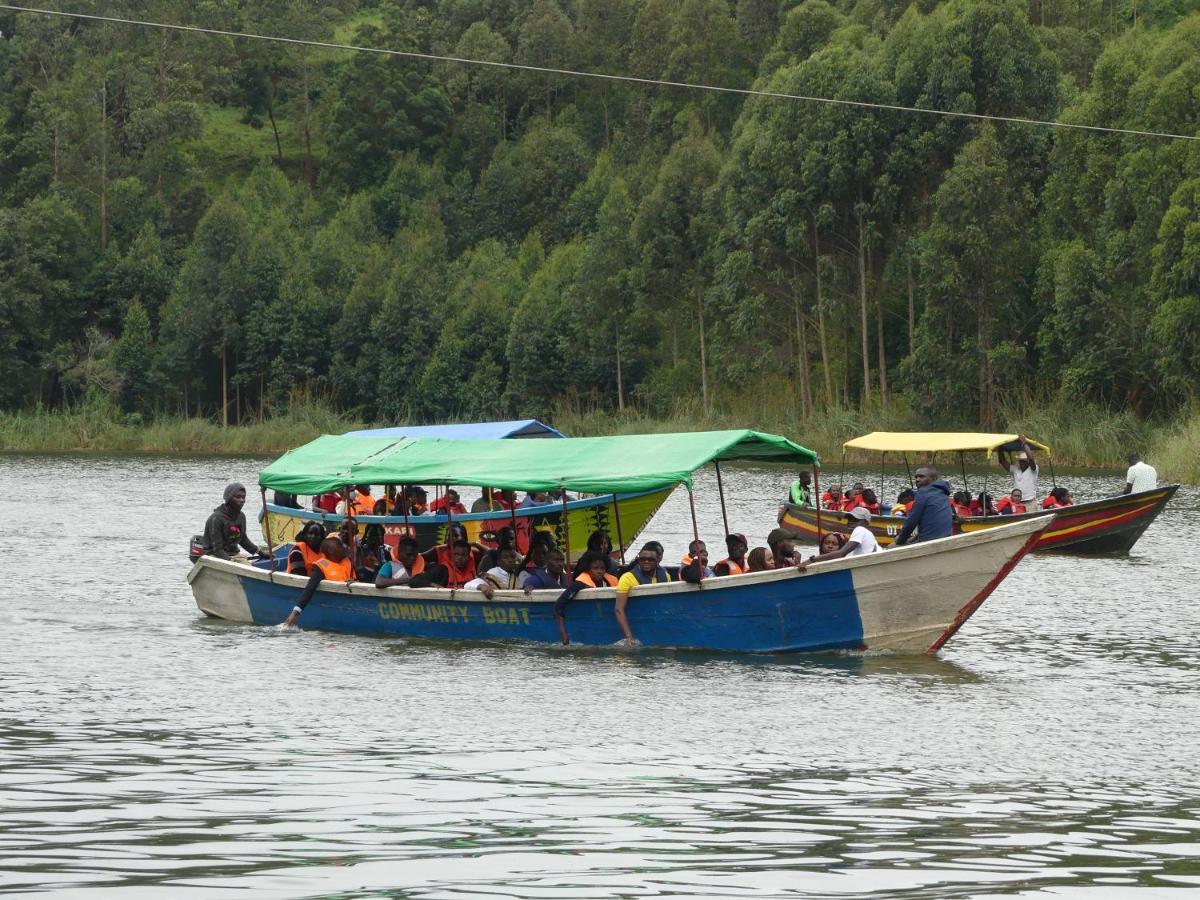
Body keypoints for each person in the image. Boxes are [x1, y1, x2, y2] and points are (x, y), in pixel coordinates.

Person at [282, 537, 356, 626]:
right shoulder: (320, 567)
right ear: (331, 550)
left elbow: (357, 581)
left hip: (351, 599)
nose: (343, 548)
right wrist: (294, 614)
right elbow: (309, 589)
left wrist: (355, 582)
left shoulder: (347, 562)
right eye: (340, 546)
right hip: (334, 603)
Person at [554, 551, 620, 645]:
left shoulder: (611, 580)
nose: (599, 571)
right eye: (595, 568)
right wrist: (563, 634)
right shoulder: (580, 583)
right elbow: (558, 606)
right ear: (588, 569)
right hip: (587, 625)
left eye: (602, 568)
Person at [610, 543, 672, 643]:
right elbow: (618, 609)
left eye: (650, 559)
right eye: (642, 559)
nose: (646, 562)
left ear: (658, 560)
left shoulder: (665, 575)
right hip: (638, 621)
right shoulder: (627, 578)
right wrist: (629, 637)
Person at [798, 507, 878, 570]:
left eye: (855, 520)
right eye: (849, 519)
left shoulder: (860, 529)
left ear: (865, 523)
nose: (850, 522)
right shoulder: (868, 535)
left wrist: (811, 560)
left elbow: (841, 553)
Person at [891, 466, 953, 546]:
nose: (917, 479)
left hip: (929, 543)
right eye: (916, 477)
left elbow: (911, 522)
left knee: (892, 545)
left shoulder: (923, 493)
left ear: (933, 479)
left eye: (922, 477)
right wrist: (915, 537)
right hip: (946, 539)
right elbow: (931, 519)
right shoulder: (942, 492)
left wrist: (900, 540)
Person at [201, 483, 263, 561]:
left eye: (243, 497)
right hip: (214, 555)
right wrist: (231, 561)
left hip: (233, 554)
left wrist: (260, 552)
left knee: (249, 569)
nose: (242, 500)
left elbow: (243, 539)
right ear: (229, 498)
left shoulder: (241, 516)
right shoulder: (216, 519)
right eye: (238, 497)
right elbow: (217, 549)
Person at [998, 435, 1039, 500]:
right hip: (1017, 502)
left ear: (1028, 462)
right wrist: (1000, 447)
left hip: (1030, 501)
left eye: (1024, 461)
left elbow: (1031, 458)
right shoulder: (1016, 469)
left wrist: (1024, 443)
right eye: (1020, 461)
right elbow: (1002, 461)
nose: (1021, 463)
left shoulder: (1033, 469)